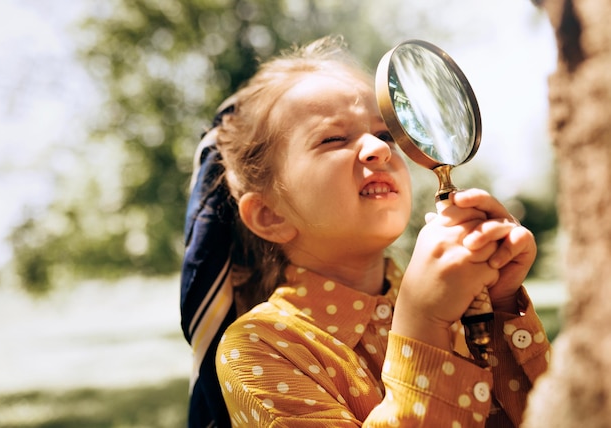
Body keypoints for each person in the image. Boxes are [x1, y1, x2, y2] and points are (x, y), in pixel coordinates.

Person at [203, 35, 549, 427]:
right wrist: (422, 324)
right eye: (333, 139)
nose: (380, 149)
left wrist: (502, 304)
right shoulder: (260, 346)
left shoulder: (466, 295)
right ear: (269, 215)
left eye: (386, 135)